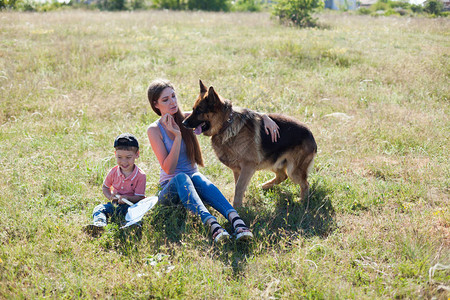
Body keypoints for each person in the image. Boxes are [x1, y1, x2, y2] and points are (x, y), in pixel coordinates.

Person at [146, 79, 279, 243]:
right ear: (155, 104)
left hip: (195, 184)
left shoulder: (187, 117)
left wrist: (264, 117)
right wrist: (178, 136)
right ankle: (213, 225)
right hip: (170, 190)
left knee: (196, 177)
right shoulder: (154, 129)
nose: (172, 102)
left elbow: (226, 112)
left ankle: (237, 222)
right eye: (165, 100)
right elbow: (169, 169)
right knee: (182, 177)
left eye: (173, 96)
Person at [83, 133, 147, 236]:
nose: (124, 161)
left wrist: (127, 198)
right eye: (119, 157)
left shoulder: (140, 175)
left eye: (128, 157)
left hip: (131, 206)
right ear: (115, 154)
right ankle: (99, 224)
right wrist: (110, 196)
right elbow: (105, 187)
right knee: (99, 208)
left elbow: (140, 197)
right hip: (115, 205)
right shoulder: (113, 172)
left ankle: (130, 227)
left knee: (136, 215)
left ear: (137, 154)